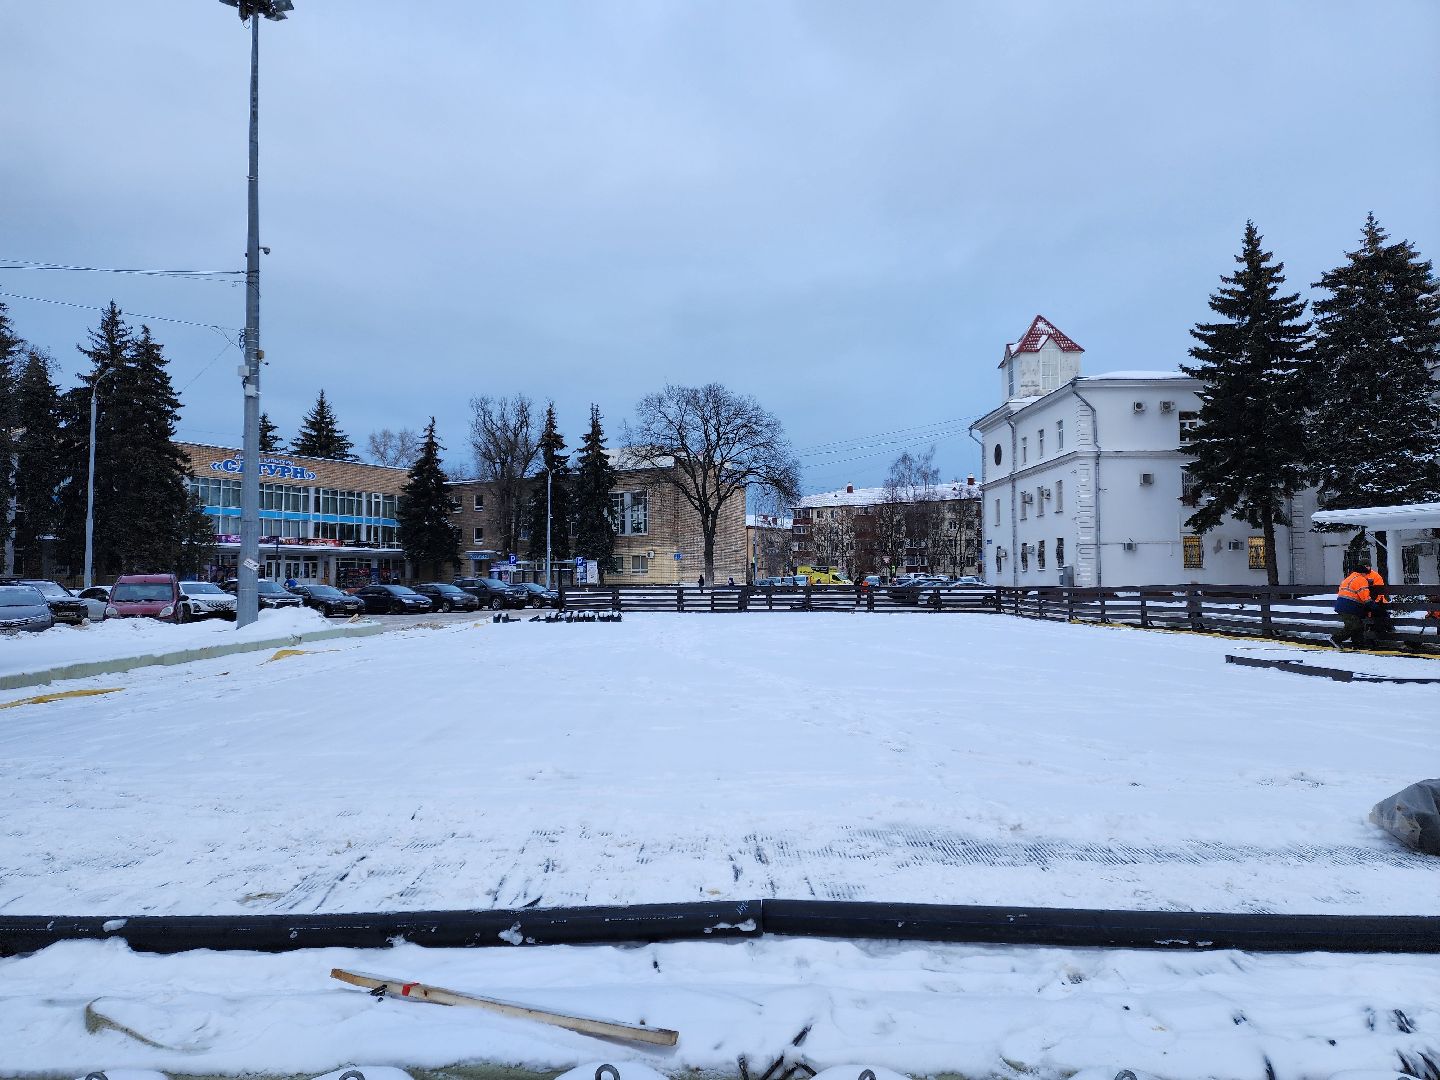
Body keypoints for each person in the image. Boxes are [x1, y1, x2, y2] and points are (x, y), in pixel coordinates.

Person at [1330, 562, 1375, 651]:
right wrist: (1375, 607)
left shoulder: (1349, 578)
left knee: (1358, 625)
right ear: (1363, 573)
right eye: (1366, 574)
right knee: (1353, 626)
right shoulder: (1361, 580)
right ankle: (1336, 639)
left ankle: (1358, 645)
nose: (1367, 577)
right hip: (1349, 607)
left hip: (1343, 605)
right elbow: (1365, 597)